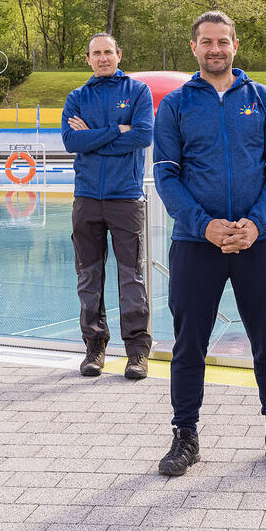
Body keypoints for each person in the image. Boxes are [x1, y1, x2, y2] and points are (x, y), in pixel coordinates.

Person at [152, 11, 266, 476]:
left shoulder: (263, 98)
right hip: (196, 244)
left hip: (258, 241)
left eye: (223, 41)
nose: (216, 49)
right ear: (194, 47)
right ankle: (185, 435)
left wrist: (256, 224)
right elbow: (166, 174)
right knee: (189, 344)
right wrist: (203, 224)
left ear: (236, 45)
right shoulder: (176, 105)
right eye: (207, 42)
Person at [61, 33, 154, 380]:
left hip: (125, 198)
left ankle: (137, 353)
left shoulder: (137, 92)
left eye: (108, 52)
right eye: (96, 53)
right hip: (86, 198)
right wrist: (117, 130)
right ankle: (94, 348)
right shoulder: (77, 97)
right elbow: (72, 141)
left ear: (119, 54)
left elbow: (143, 135)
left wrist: (95, 136)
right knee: (89, 276)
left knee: (131, 277)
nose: (103, 58)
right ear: (88, 59)